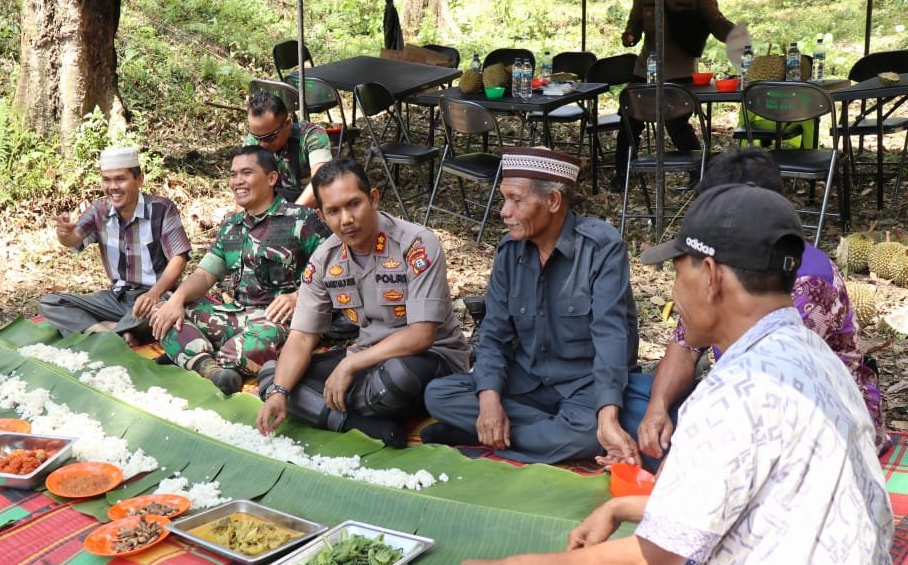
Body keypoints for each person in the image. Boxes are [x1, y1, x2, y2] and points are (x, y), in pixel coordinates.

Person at [452, 184, 892, 565]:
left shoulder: (733, 391)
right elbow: (742, 500)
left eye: (677, 272)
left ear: (710, 276)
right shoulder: (817, 360)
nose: (672, 293)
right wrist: (622, 507)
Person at [623, 147, 888, 467]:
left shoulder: (805, 285)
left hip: (811, 429)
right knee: (627, 397)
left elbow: (771, 402)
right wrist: (657, 408)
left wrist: (684, 463)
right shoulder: (720, 273)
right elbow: (686, 343)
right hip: (745, 402)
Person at [423, 148, 640, 465]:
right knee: (438, 395)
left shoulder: (601, 248)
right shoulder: (510, 252)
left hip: (584, 387)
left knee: (588, 431)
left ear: (553, 201)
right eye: (504, 199)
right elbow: (494, 335)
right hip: (526, 382)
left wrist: (607, 417)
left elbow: (612, 335)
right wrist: (489, 400)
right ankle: (521, 432)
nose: (504, 211)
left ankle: (483, 435)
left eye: (516, 200)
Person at [256, 159, 470, 448]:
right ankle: (358, 423)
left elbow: (422, 335)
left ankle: (324, 408)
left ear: (373, 199)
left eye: (354, 204)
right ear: (321, 215)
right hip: (367, 360)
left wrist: (349, 365)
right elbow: (303, 336)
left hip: (430, 360)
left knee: (396, 379)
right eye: (334, 211)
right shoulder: (324, 260)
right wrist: (280, 392)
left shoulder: (416, 244)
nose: (346, 219)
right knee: (273, 376)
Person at [149, 146, 329, 394]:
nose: (237, 181)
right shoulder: (231, 226)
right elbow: (204, 275)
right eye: (233, 175)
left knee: (242, 350)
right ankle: (212, 370)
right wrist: (177, 299)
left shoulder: (301, 219)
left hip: (280, 321)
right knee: (163, 309)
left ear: (271, 178)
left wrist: (298, 296)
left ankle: (192, 355)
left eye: (247, 173)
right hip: (236, 315)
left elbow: (335, 270)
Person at [40, 147, 192, 341]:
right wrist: (64, 234)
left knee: (161, 312)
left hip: (156, 297)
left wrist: (154, 294)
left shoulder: (161, 209)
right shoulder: (99, 210)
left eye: (120, 179)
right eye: (106, 180)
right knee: (51, 303)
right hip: (117, 298)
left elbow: (179, 258)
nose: (113, 187)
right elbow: (73, 239)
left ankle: (106, 331)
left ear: (139, 180)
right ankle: (112, 333)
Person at [610, 0, 737, 191]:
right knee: (629, 120)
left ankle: (699, 173)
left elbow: (716, 22)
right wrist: (629, 36)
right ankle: (623, 173)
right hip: (647, 69)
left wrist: (736, 35)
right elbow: (634, 25)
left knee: (676, 124)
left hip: (680, 71)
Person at [245, 90, 333, 207]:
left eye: (270, 137)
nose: (262, 144)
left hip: (307, 207)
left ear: (287, 123)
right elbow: (243, 184)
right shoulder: (254, 140)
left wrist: (292, 215)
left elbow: (321, 181)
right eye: (256, 137)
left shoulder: (312, 135)